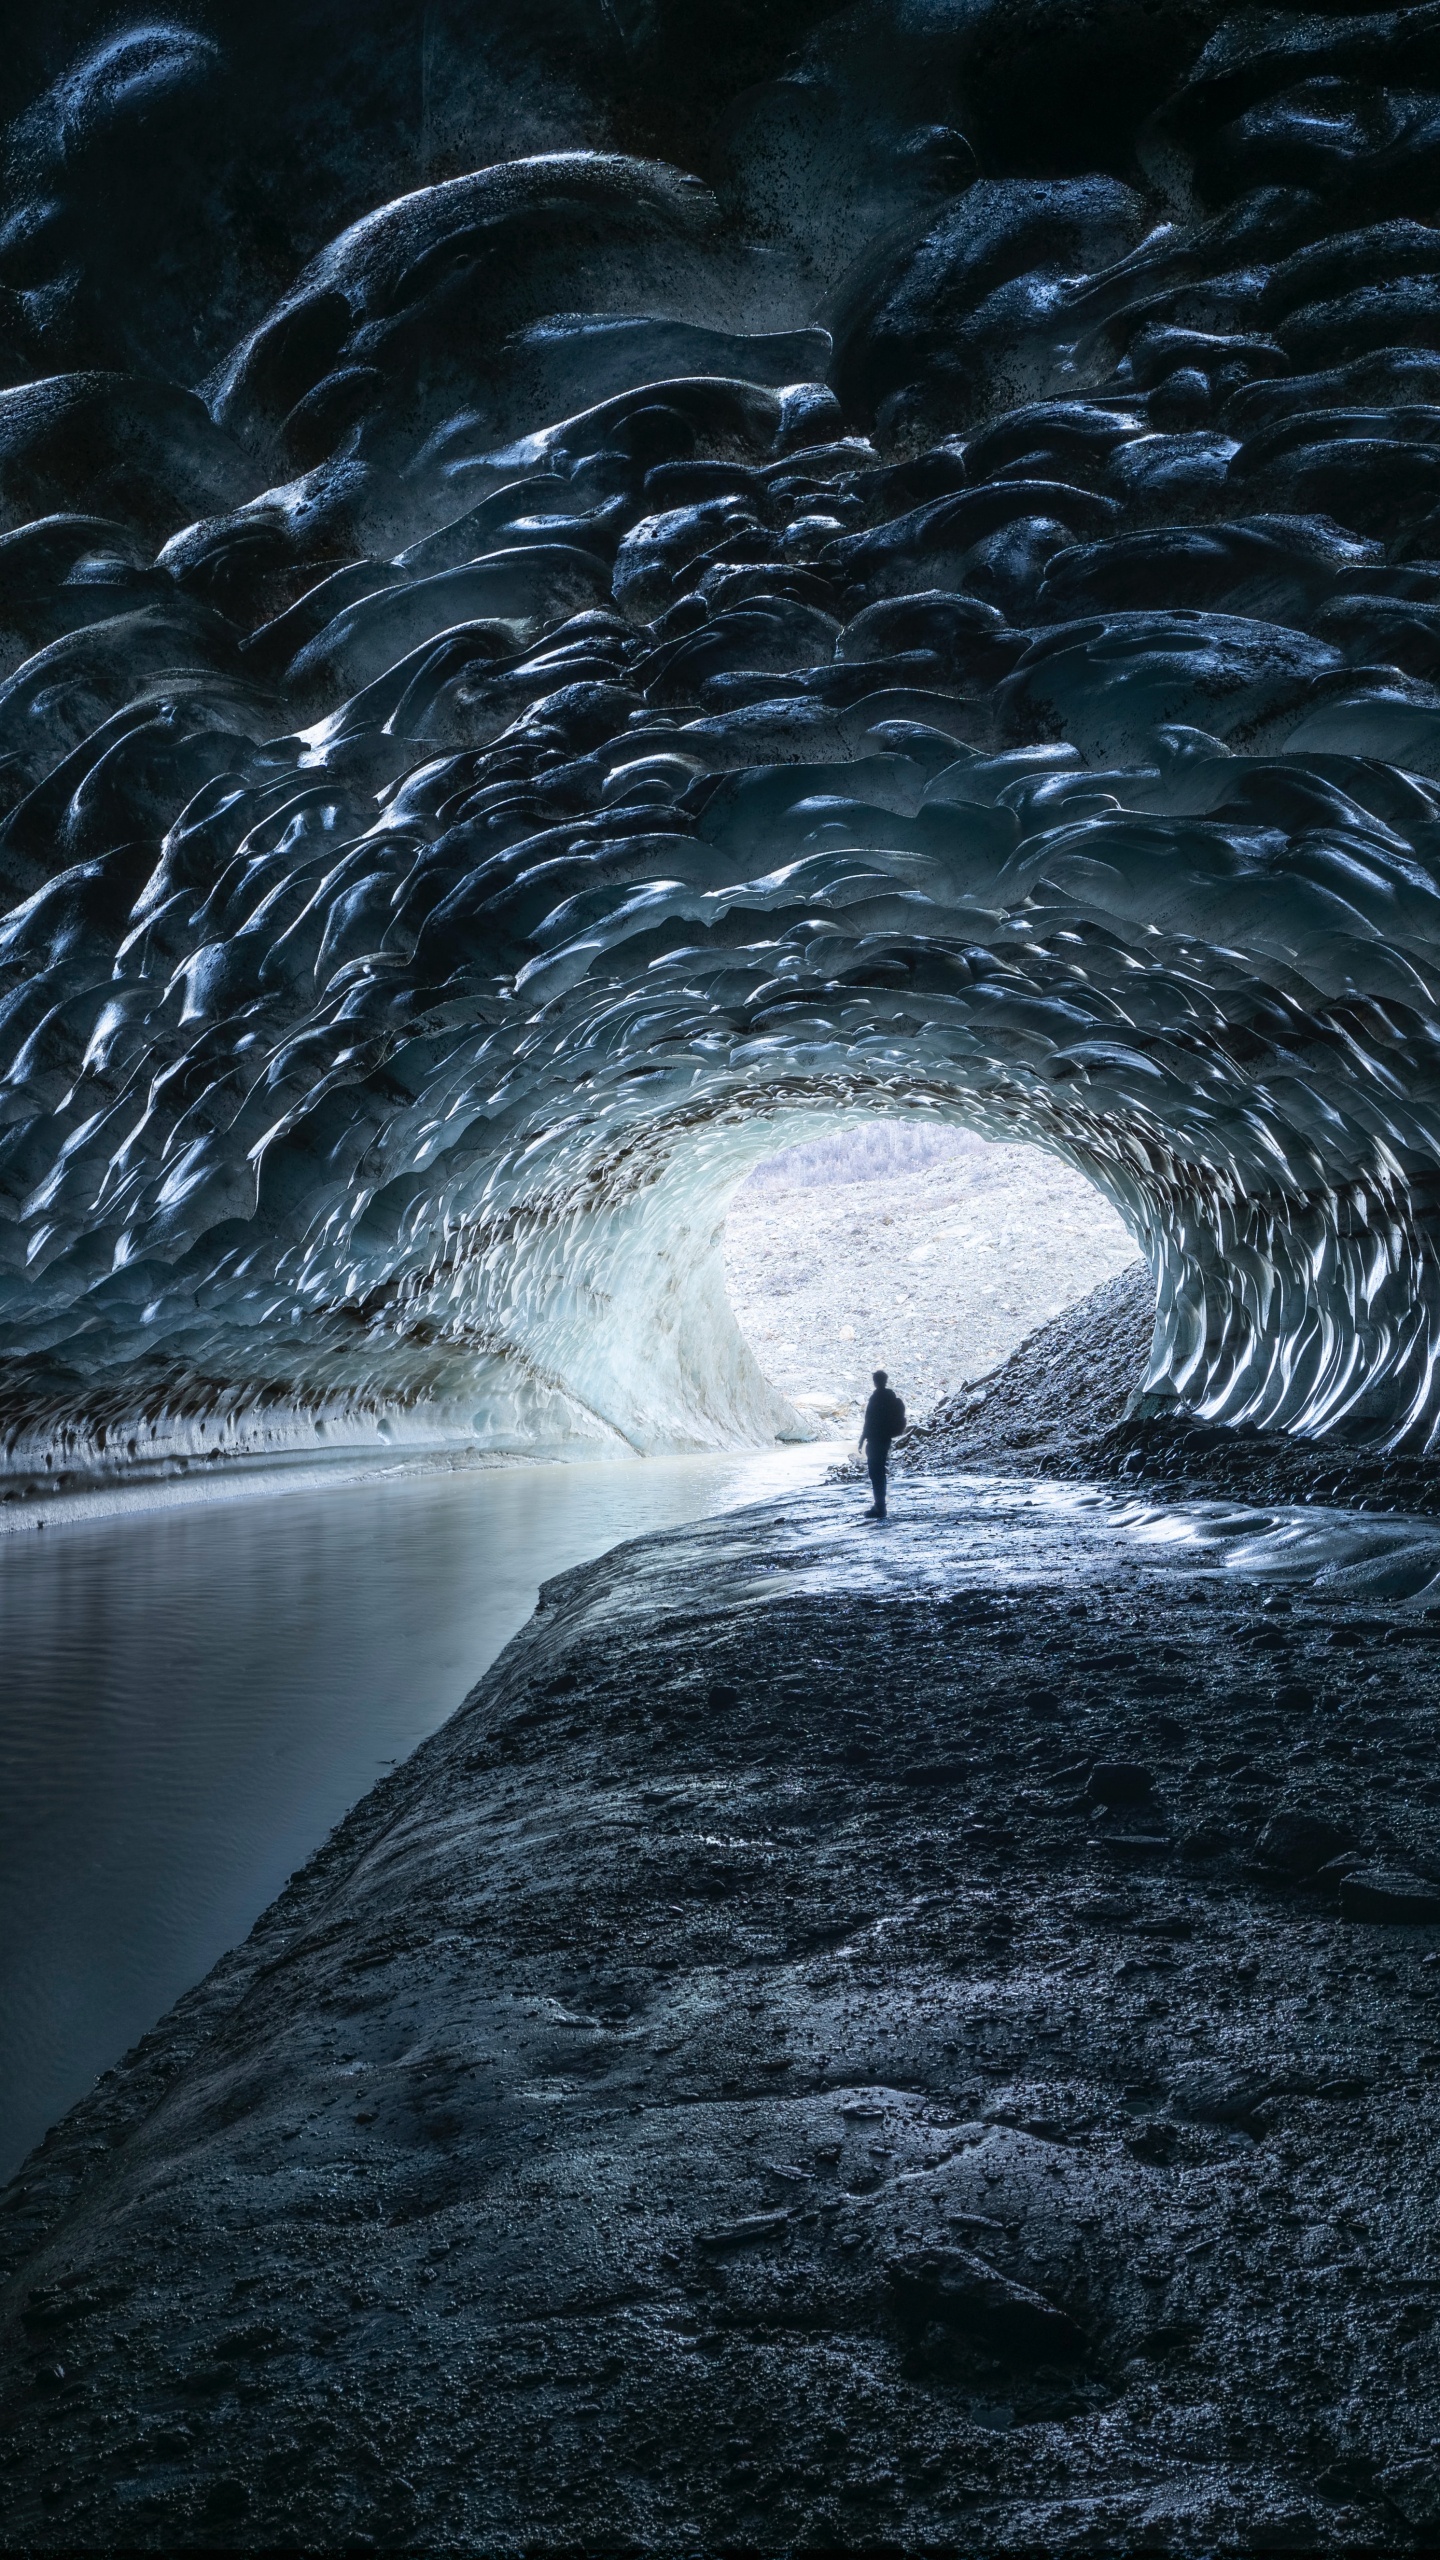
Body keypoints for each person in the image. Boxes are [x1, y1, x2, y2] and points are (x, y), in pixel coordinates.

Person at [858, 1369, 906, 1520]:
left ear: (876, 1381)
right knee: (879, 1473)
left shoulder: (876, 1398)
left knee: (875, 1473)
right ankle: (880, 1505)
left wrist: (862, 1439)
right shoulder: (890, 1397)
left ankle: (880, 1507)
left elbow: (869, 1421)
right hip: (885, 1439)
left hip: (875, 1440)